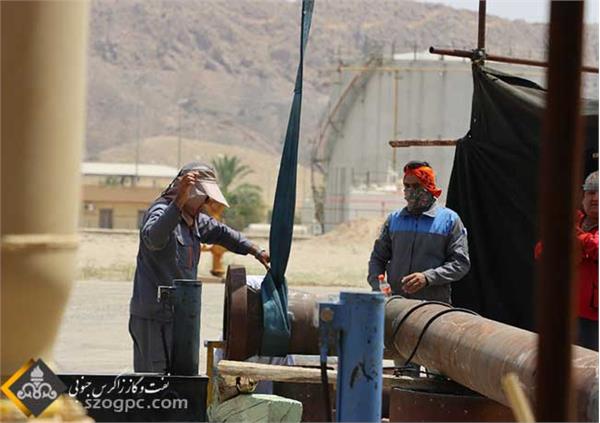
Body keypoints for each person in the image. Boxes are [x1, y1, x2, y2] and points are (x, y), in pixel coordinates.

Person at [128, 162, 270, 373]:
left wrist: (256, 250)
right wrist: (178, 202)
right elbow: (154, 238)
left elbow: (222, 233)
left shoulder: (194, 220)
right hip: (154, 318)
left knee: (184, 379)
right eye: (205, 197)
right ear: (191, 195)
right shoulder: (160, 211)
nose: (207, 203)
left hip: (182, 316)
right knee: (155, 381)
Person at [368, 161, 471, 303]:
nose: (410, 190)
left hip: (432, 307)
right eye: (407, 186)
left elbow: (460, 263)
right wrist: (377, 285)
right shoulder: (394, 220)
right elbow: (377, 258)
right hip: (397, 304)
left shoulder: (449, 220)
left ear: (429, 187)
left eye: (416, 186)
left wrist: (428, 278)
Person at [535, 170, 598, 350]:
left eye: (599, 192)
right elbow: (541, 251)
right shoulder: (571, 221)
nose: (595, 198)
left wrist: (577, 239)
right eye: (590, 192)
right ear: (582, 197)